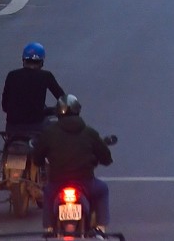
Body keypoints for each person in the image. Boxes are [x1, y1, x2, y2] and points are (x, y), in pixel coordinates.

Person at [32, 96, 113, 229]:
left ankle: (48, 228)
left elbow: (37, 158)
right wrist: (104, 160)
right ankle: (101, 227)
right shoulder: (89, 132)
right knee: (102, 189)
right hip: (86, 183)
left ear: (58, 113)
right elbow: (105, 157)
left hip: (57, 183)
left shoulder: (49, 133)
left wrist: (40, 161)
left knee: (47, 193)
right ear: (78, 111)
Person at [1, 42, 67, 139]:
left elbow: (4, 105)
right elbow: (62, 98)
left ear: (23, 59)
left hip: (12, 126)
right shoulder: (46, 76)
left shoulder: (12, 75)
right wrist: (53, 110)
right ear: (42, 62)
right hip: (36, 125)